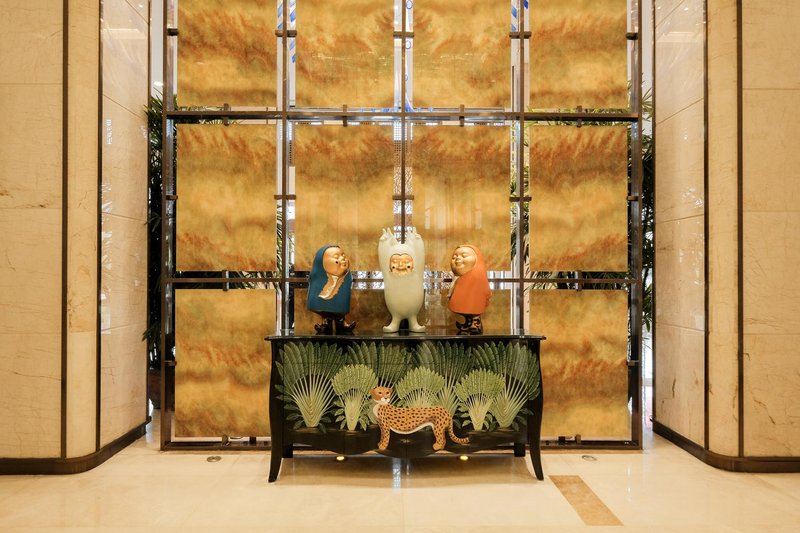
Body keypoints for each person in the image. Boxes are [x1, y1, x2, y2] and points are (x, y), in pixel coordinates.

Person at [448, 244, 490, 334]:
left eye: (464, 256)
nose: (457, 259)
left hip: (476, 304)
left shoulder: (479, 279)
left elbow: (486, 292)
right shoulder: (458, 280)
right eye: (454, 257)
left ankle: (474, 323)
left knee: (474, 312)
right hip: (463, 304)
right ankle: (468, 323)